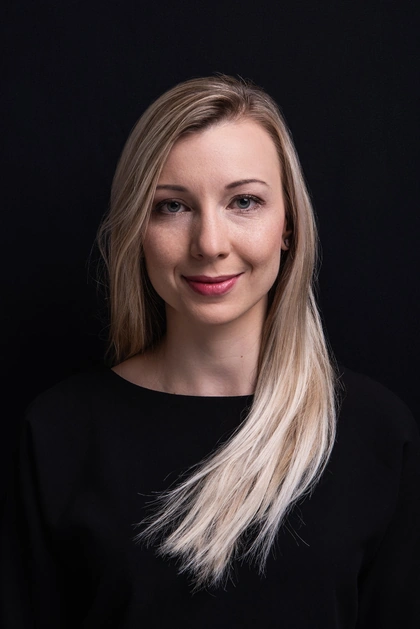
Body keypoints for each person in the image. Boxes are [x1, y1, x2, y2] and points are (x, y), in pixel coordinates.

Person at [1, 75, 419, 628]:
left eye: (244, 201)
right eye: (172, 207)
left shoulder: (377, 432)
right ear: (137, 228)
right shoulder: (59, 433)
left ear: (288, 225)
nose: (210, 243)